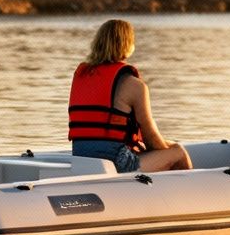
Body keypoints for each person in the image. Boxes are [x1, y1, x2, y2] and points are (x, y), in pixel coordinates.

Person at [68, 19, 192, 173]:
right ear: (128, 45)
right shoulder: (134, 85)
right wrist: (167, 151)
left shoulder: (82, 76)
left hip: (81, 156)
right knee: (178, 151)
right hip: (116, 162)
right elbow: (151, 139)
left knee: (169, 147)